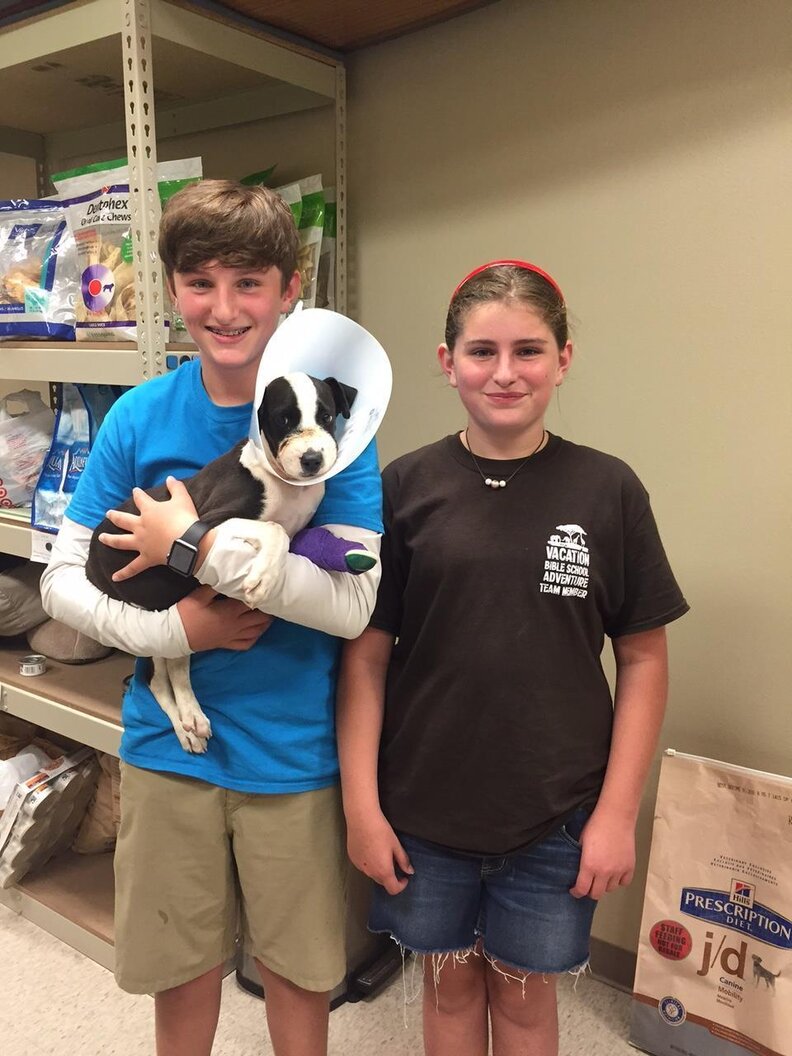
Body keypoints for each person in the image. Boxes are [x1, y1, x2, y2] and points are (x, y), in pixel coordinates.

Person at [40, 180, 383, 1056]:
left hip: (292, 750)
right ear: (171, 290)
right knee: (181, 972)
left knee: (299, 976)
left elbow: (353, 605)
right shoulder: (138, 416)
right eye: (201, 283)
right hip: (167, 749)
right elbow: (61, 583)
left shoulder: (334, 430)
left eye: (249, 283)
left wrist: (191, 546)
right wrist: (175, 634)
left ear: (289, 289)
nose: (224, 308)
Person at [336, 259, 689, 1056]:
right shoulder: (405, 486)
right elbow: (365, 660)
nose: (505, 372)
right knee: (449, 988)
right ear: (447, 361)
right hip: (421, 811)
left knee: (527, 1004)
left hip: (557, 816)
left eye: (528, 350)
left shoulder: (609, 490)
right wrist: (362, 809)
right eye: (482, 351)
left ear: (563, 360)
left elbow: (643, 660)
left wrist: (616, 815)